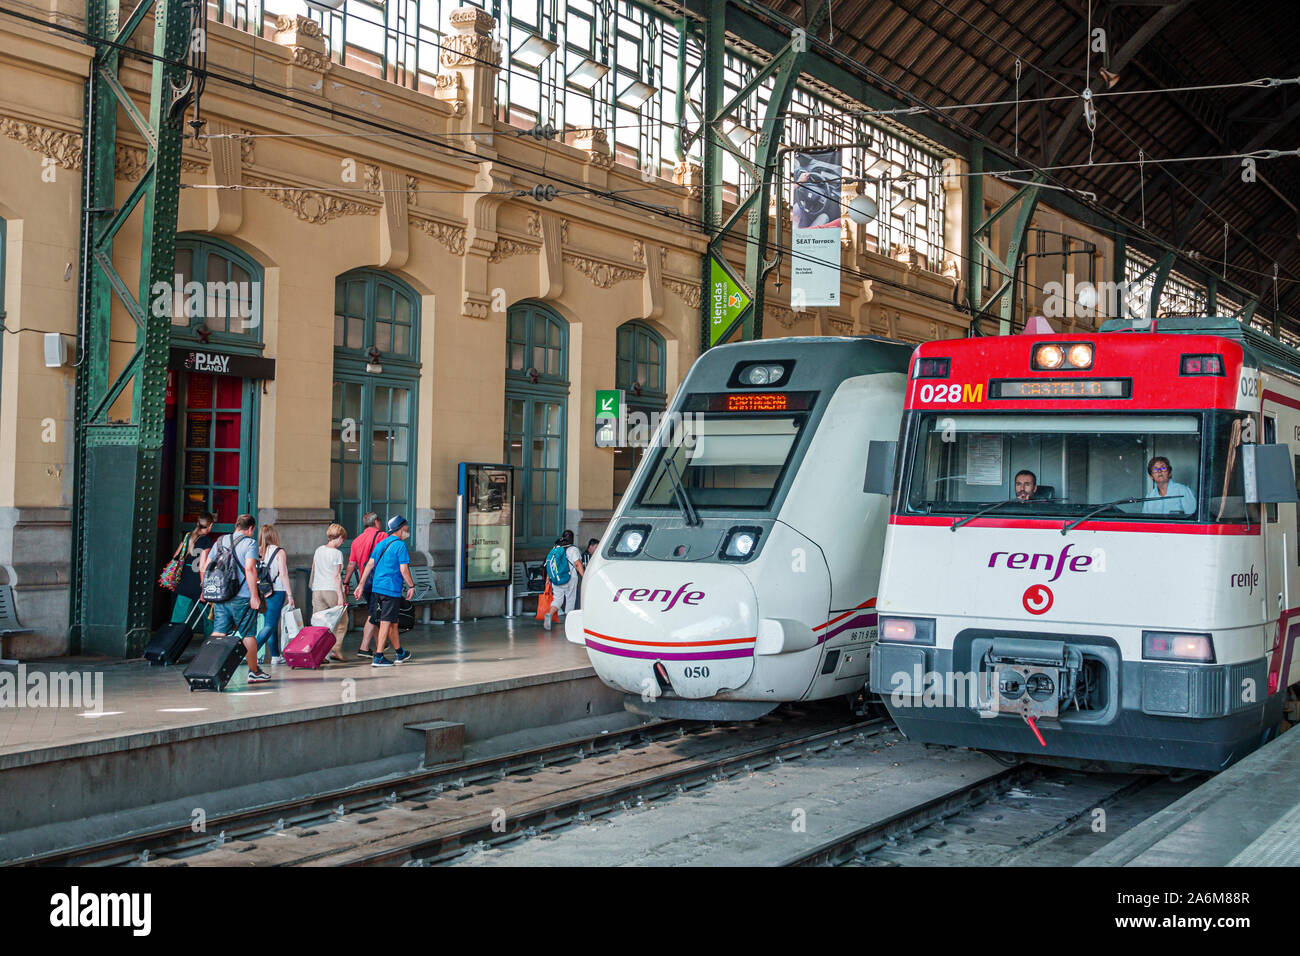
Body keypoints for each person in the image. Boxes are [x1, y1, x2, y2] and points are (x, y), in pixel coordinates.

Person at [208, 514, 268, 682]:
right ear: (251, 528)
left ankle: (209, 667)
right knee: (248, 634)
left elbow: (207, 566)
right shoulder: (250, 543)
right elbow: (250, 568)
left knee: (219, 631)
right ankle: (254, 672)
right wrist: (254, 595)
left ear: (236, 526)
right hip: (242, 596)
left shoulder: (220, 541)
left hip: (221, 595)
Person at [355, 515, 415, 667]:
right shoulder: (400, 546)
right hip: (390, 589)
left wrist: (361, 585)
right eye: (406, 527)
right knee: (386, 622)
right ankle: (379, 656)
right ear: (401, 528)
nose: (407, 530)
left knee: (393, 622)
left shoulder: (382, 543)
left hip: (377, 588)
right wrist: (411, 586)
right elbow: (404, 569)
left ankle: (399, 652)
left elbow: (369, 565)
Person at [345, 512, 387, 658]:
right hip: (379, 582)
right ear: (376, 521)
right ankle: (363, 647)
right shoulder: (382, 536)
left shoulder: (357, 540)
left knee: (373, 611)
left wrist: (346, 582)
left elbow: (351, 564)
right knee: (374, 614)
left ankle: (379, 642)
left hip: (364, 583)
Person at [170, 511, 214, 639]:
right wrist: (203, 585)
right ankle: (210, 646)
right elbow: (202, 565)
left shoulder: (188, 537)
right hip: (198, 582)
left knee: (178, 618)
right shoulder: (206, 541)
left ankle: (170, 645)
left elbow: (176, 557)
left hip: (184, 581)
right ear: (210, 526)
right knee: (208, 617)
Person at [255, 524, 295, 666]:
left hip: (262, 591)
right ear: (274, 535)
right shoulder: (279, 552)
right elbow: (283, 574)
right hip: (277, 590)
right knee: (270, 625)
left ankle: (275, 655)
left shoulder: (257, 551)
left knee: (269, 623)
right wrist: (290, 595)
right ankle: (249, 653)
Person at [311, 523, 350, 658]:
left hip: (317, 590)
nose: (342, 542)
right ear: (338, 537)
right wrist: (340, 596)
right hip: (332, 590)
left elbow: (314, 569)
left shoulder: (318, 550)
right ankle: (335, 649)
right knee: (342, 621)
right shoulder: (337, 553)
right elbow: (336, 576)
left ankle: (319, 653)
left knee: (320, 623)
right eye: (342, 539)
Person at [541, 530, 583, 631]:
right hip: (570, 578)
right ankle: (569, 624)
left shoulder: (555, 548)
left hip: (556, 578)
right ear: (572, 538)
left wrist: (548, 578)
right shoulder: (573, 549)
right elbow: (577, 564)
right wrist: (584, 576)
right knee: (570, 599)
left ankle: (549, 614)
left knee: (558, 600)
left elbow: (550, 565)